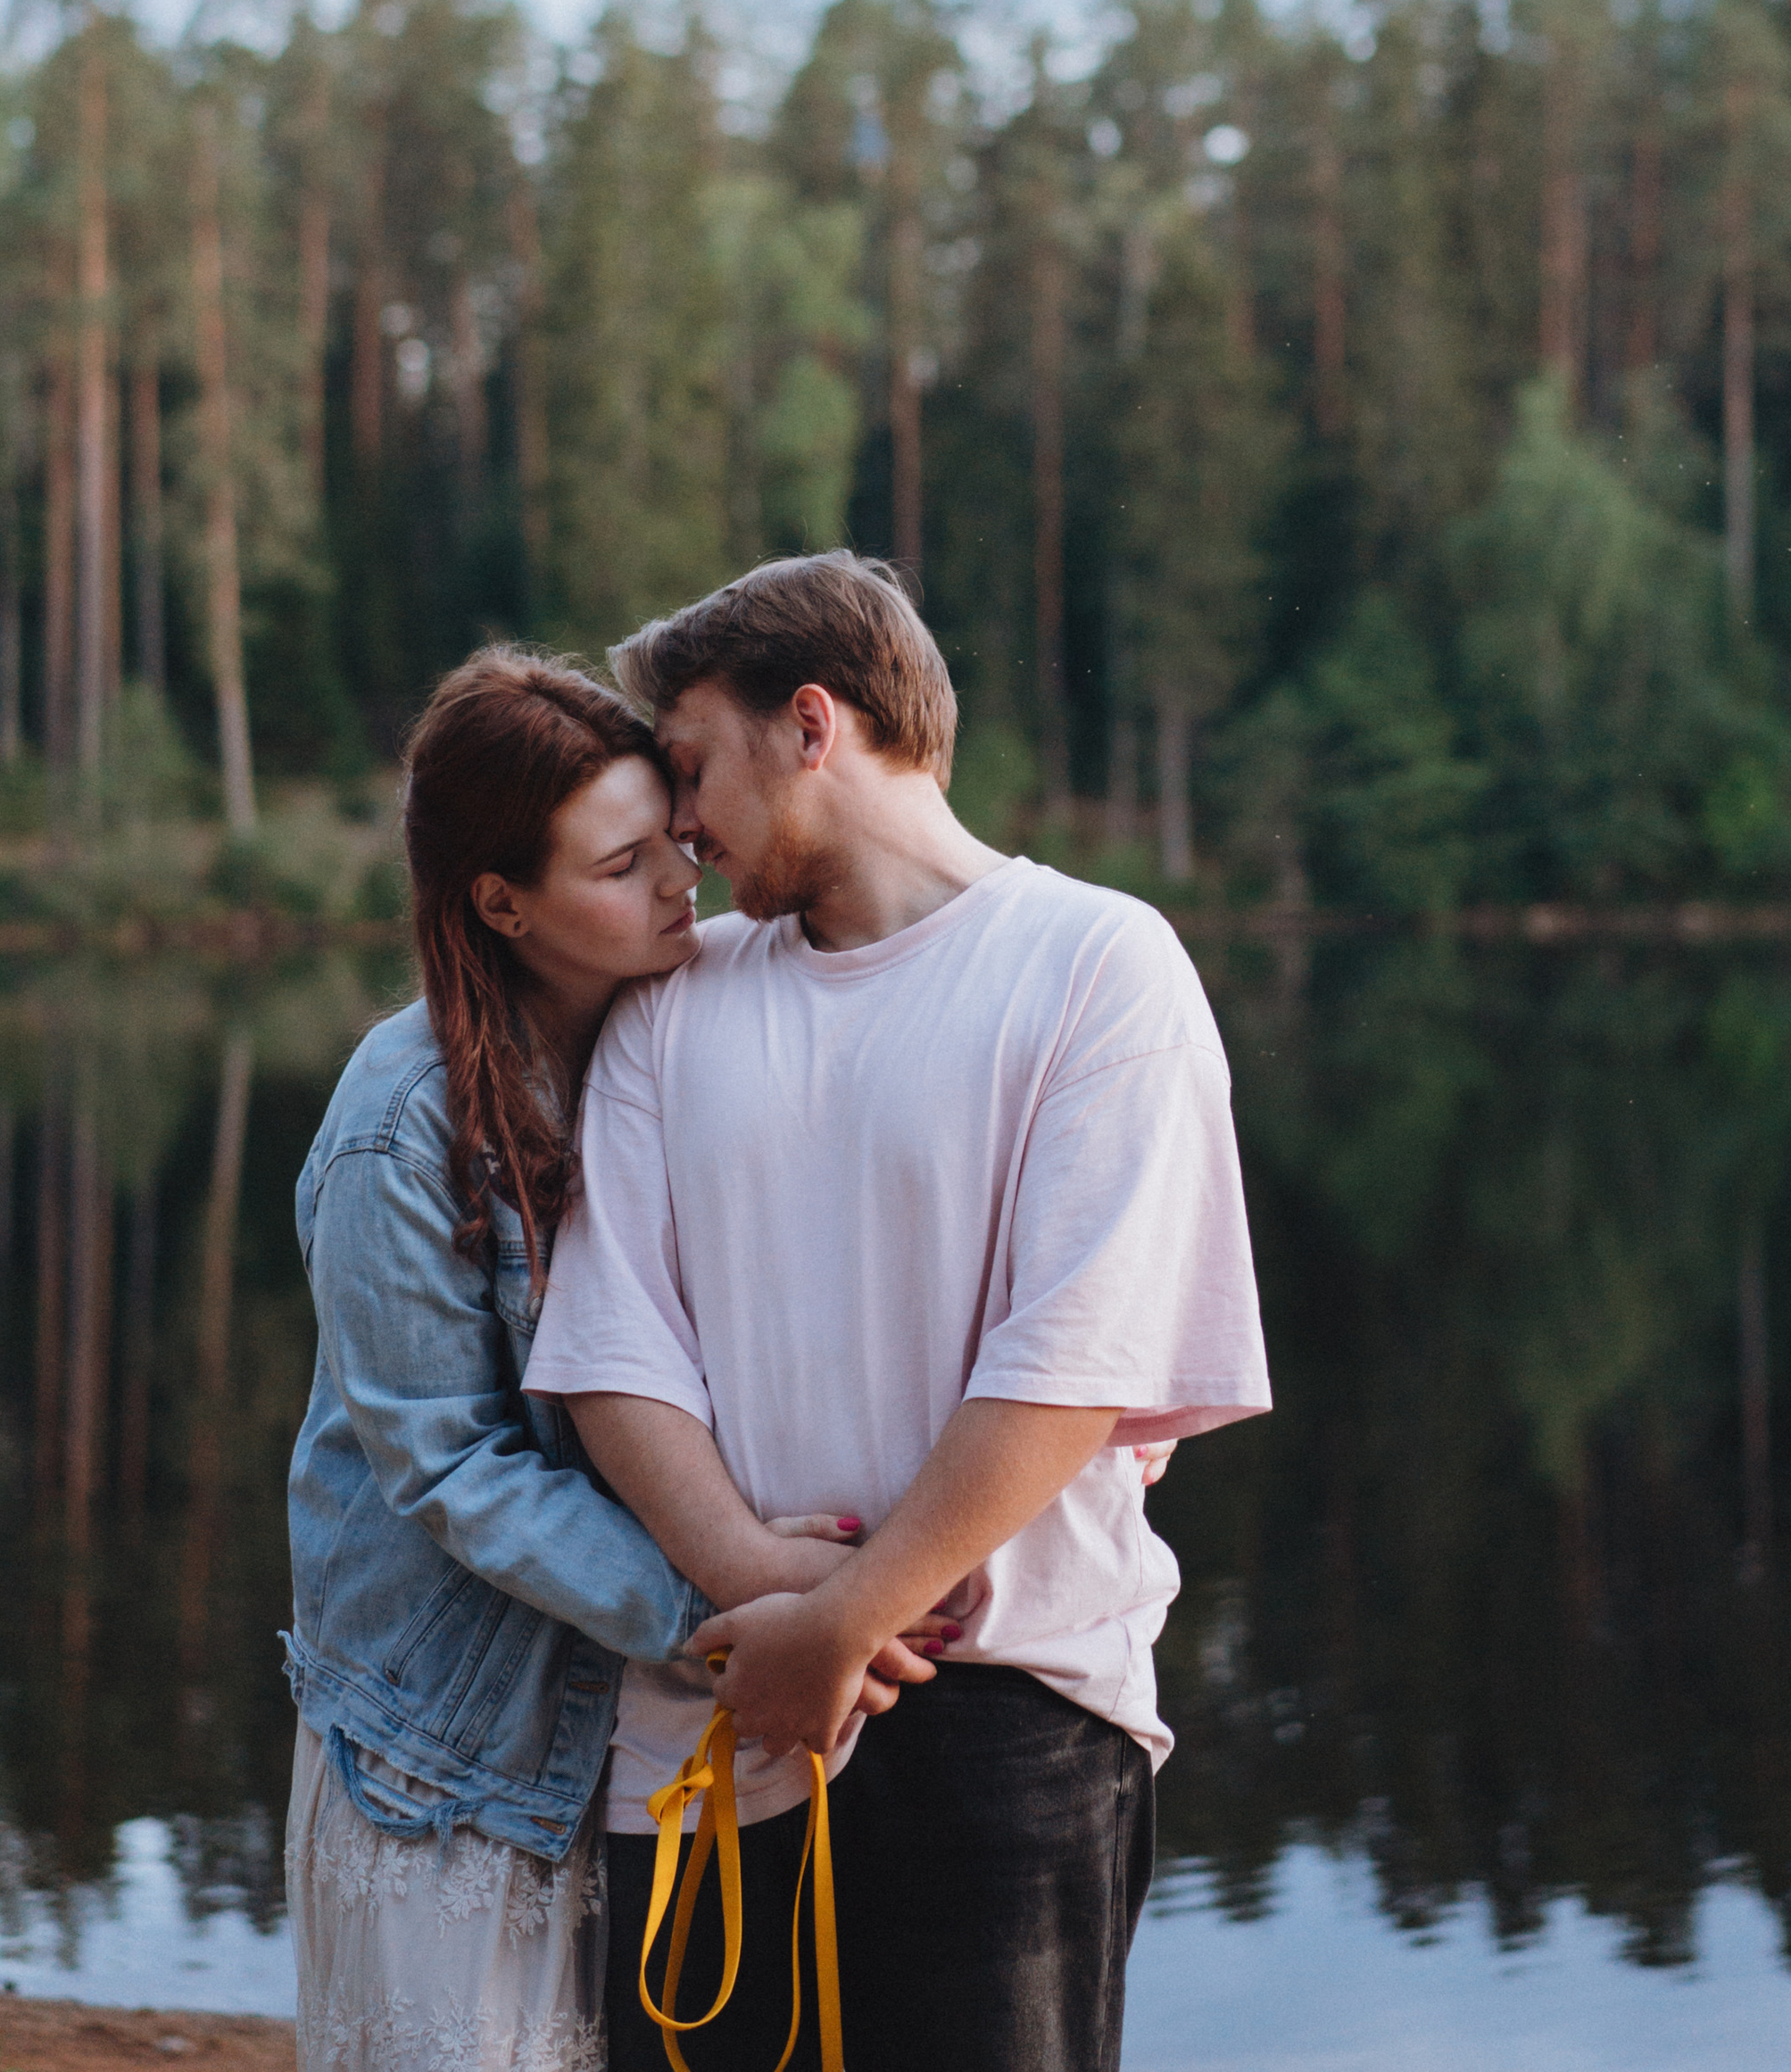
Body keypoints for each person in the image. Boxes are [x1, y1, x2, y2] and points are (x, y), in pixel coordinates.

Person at [522, 552, 1273, 2072]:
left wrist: (853, 1617)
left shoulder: (1097, 965)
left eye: (691, 766)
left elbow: (1075, 1360)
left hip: (1010, 1725)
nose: (678, 824)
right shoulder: (675, 1000)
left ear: (814, 723)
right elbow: (614, 1351)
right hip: (713, 1710)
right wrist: (770, 1609)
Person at [283, 649, 941, 2072]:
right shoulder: (397, 1126)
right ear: (503, 903)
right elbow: (448, 1465)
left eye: (674, 835)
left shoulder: (677, 1030)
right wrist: (724, 1607)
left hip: (637, 1751)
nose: (678, 880)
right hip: (450, 1749)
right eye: (624, 862)